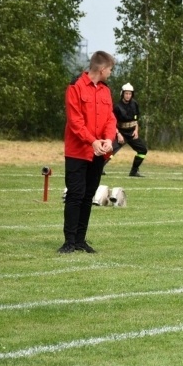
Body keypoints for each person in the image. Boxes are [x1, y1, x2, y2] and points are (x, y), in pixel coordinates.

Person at [59, 51, 118, 254]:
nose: (110, 73)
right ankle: (69, 241)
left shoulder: (105, 90)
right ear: (102, 69)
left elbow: (110, 118)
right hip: (78, 151)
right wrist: (92, 141)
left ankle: (80, 240)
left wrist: (108, 140)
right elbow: (75, 121)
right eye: (110, 69)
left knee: (88, 196)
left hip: (98, 152)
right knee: (75, 195)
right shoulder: (75, 86)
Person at [107, 83, 149, 177]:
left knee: (143, 150)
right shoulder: (117, 107)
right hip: (121, 133)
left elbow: (136, 119)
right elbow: (112, 122)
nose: (128, 95)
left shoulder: (135, 104)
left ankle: (134, 171)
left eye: (130, 94)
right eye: (126, 93)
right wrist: (118, 134)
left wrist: (136, 130)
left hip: (132, 133)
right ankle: (99, 169)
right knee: (109, 151)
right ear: (122, 94)